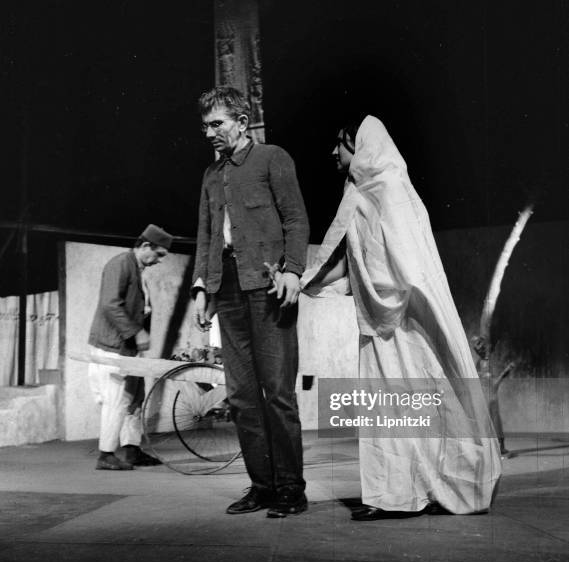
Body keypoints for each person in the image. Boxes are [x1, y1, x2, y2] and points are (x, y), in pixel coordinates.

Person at [301, 116, 502, 520]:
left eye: (339, 144)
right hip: (378, 325)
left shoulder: (391, 189)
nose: (332, 152)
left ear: (359, 146)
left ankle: (429, 487)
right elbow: (349, 260)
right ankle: (393, 495)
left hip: (406, 325)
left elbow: (410, 267)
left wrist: (384, 298)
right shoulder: (357, 192)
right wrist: (305, 281)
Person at [192, 86, 310, 517]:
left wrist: (294, 270)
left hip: (269, 289)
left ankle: (291, 490)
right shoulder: (210, 175)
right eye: (205, 126)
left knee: (277, 393)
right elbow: (207, 235)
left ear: (242, 123)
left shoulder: (272, 159)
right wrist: (203, 288)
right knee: (241, 396)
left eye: (217, 124)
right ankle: (262, 486)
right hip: (227, 292)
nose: (209, 133)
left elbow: (296, 219)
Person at [88, 224, 174, 470]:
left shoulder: (138, 269)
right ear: (145, 245)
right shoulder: (121, 264)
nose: (158, 261)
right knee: (116, 400)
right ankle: (105, 454)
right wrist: (136, 332)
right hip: (112, 346)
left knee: (134, 398)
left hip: (129, 349)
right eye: (158, 255)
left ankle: (131, 449)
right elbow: (110, 304)